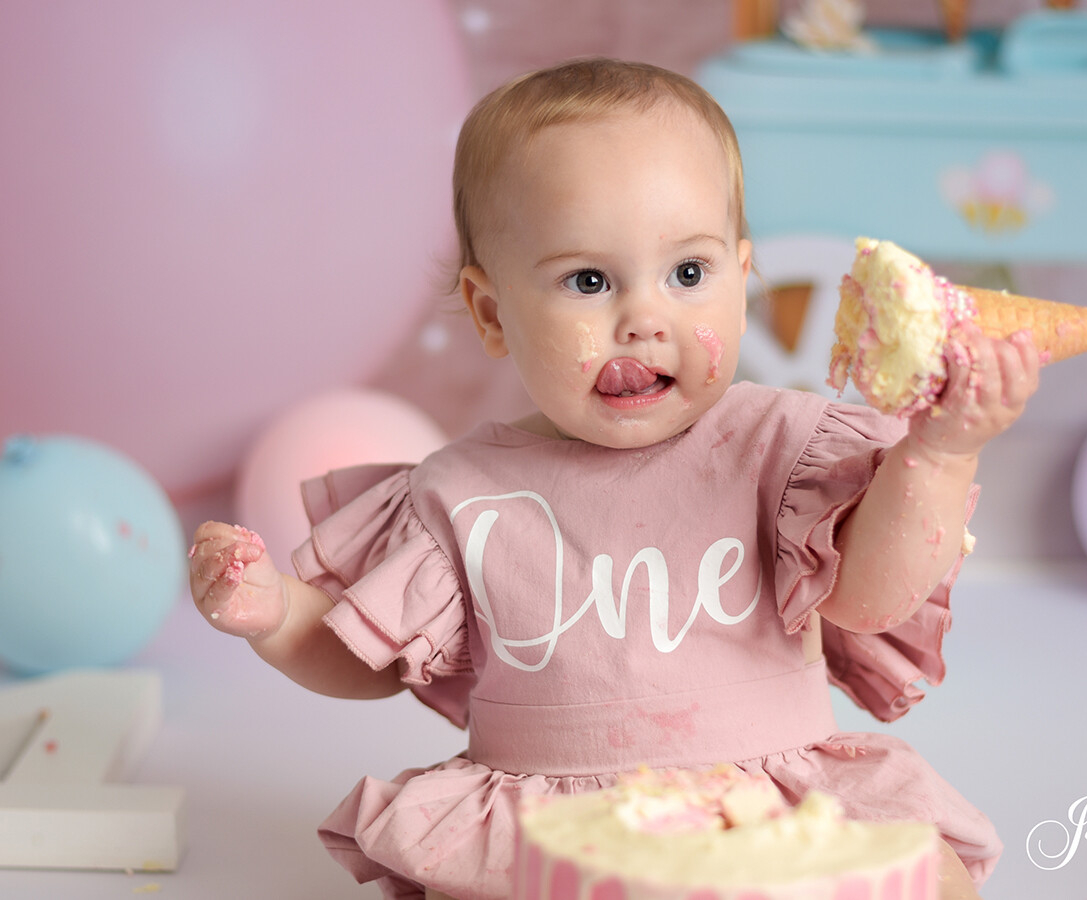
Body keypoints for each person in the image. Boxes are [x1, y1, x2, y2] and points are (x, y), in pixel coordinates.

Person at [189, 57, 1040, 900]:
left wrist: (939, 452)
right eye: (589, 280)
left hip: (766, 804)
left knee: (929, 879)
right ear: (492, 313)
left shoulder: (781, 447)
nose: (642, 318)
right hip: (551, 820)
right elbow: (367, 658)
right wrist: (271, 613)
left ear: (744, 281)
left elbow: (868, 600)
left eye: (688, 274)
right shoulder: (460, 490)